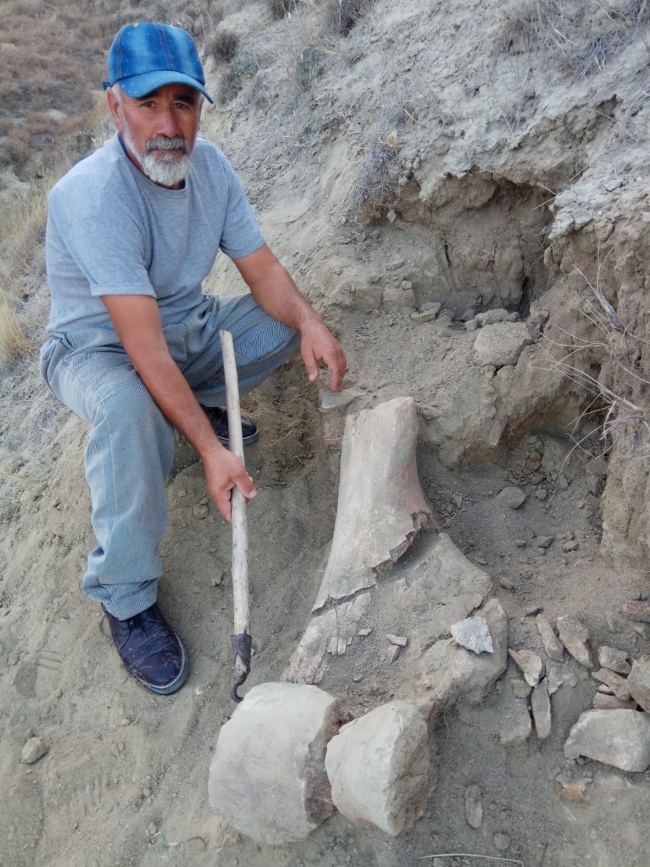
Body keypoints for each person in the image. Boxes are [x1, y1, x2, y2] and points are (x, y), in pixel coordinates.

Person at [40, 22, 346, 695]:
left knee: (277, 323)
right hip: (97, 347)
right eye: (149, 104)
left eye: (184, 102)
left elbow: (262, 271)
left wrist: (310, 322)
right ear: (116, 106)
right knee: (128, 406)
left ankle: (181, 420)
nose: (168, 123)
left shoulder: (211, 170)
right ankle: (124, 596)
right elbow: (140, 347)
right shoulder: (94, 196)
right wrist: (211, 448)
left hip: (186, 325)